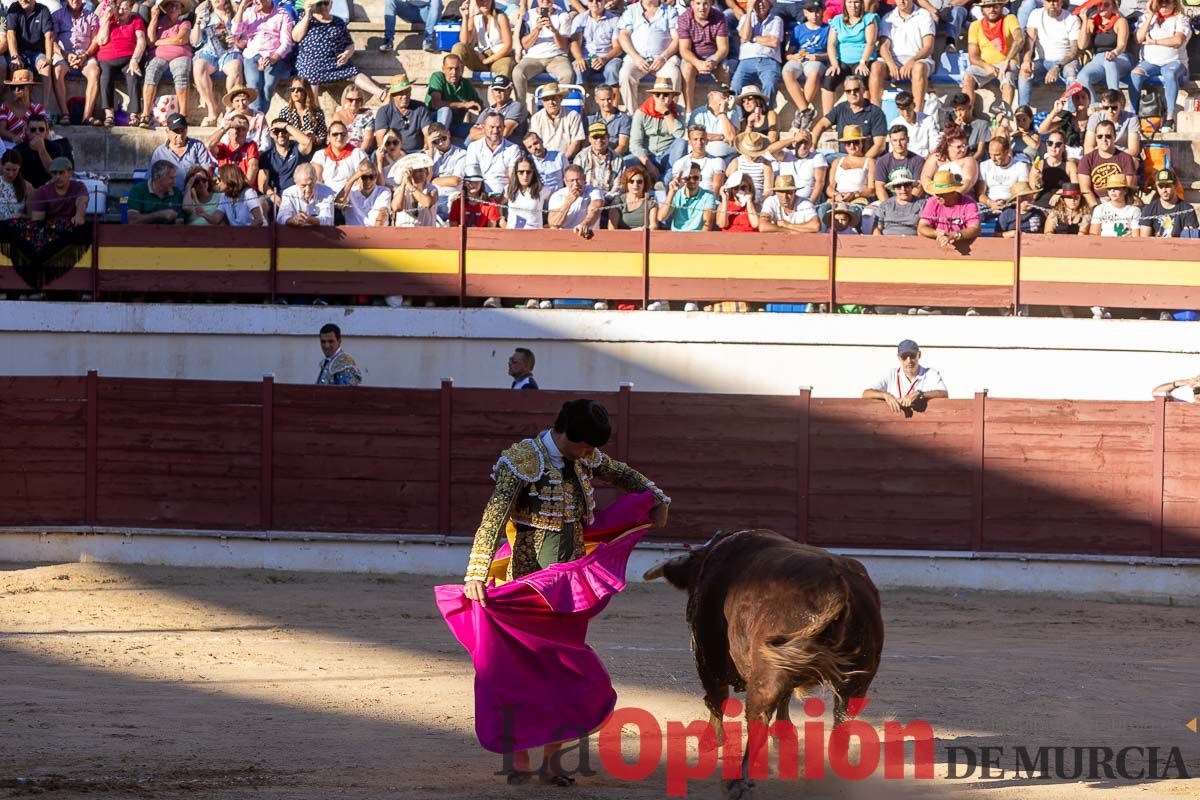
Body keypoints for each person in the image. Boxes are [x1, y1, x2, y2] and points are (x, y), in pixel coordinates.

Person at [461, 399, 669, 784]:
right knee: (516, 675)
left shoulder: (583, 457)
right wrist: (477, 571)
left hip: (568, 588)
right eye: (587, 447)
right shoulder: (523, 460)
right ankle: (520, 762)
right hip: (525, 588)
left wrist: (656, 496)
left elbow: (622, 473)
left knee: (562, 673)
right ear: (568, 437)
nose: (592, 455)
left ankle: (553, 763)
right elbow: (494, 515)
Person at [292, 0, 384, 101]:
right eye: (319, 4)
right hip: (311, 62)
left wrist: (347, 54)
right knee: (310, 75)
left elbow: (350, 44)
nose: (323, 6)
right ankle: (313, 111)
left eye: (326, 3)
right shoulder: (306, 18)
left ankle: (381, 93)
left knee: (353, 72)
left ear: (331, 3)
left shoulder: (338, 21)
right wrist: (307, 15)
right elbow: (296, 37)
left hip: (335, 63)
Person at [1130, 0, 1190, 132]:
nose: (1163, 4)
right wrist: (1150, 14)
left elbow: (1178, 40)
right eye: (1160, 1)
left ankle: (1170, 118)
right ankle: (1133, 114)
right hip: (1150, 62)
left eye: (1167, 1)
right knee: (1135, 74)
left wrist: (1154, 42)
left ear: (1174, 3)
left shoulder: (1180, 19)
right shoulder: (1146, 17)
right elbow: (1138, 39)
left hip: (1174, 61)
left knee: (1169, 74)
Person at [230, 0, 294, 116]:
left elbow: (287, 43)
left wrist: (273, 58)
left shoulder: (283, 14)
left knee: (268, 87)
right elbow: (235, 30)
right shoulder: (249, 12)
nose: (256, 1)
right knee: (254, 86)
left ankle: (259, 118)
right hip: (252, 55)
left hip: (273, 55)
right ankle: (257, 119)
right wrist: (242, 7)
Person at [617, 0, 681, 113]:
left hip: (664, 59)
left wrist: (663, 57)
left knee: (673, 75)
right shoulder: (631, 10)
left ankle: (669, 113)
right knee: (625, 75)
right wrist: (636, 57)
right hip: (636, 58)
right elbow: (623, 35)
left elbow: (676, 38)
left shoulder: (670, 11)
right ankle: (633, 115)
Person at [872, 0, 934, 113]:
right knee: (876, 66)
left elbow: (928, 46)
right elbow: (884, 46)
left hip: (918, 58)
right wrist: (891, 63)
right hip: (895, 59)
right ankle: (875, 113)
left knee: (919, 67)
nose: (901, 1)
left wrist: (912, 61)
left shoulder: (924, 15)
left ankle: (917, 112)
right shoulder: (888, 17)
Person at [139, 0, 193, 127]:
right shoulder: (159, 22)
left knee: (181, 74)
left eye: (177, 6)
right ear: (166, 8)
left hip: (180, 54)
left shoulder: (184, 23)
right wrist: (154, 18)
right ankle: (145, 114)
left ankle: (183, 114)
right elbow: (150, 40)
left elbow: (181, 39)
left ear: (181, 10)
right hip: (158, 55)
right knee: (151, 72)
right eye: (170, 5)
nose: (173, 8)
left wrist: (158, 42)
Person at [1017, 0, 1080, 108]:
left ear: (1061, 2)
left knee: (1071, 73)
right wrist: (1026, 60)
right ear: (1043, 2)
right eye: (1048, 1)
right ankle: (1023, 112)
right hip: (1043, 62)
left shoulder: (1071, 19)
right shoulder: (1035, 14)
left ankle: (1072, 113)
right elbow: (1029, 41)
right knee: (1025, 70)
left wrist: (1057, 67)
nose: (1052, 4)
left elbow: (1074, 51)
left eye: (1055, 1)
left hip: (1065, 62)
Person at [191, 0, 244, 127]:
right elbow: (195, 42)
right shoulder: (204, 13)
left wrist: (236, 39)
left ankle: (230, 110)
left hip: (229, 50)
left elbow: (245, 35)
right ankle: (212, 111)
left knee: (235, 67)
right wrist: (197, 24)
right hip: (209, 51)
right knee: (199, 66)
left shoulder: (235, 11)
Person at [820, 0, 878, 113]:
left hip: (862, 60)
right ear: (845, 4)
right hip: (842, 60)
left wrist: (863, 62)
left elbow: (870, 43)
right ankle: (827, 117)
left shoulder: (869, 18)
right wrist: (834, 64)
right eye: (850, 2)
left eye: (856, 2)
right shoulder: (837, 20)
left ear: (861, 3)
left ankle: (863, 115)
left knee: (861, 79)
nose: (853, 5)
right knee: (829, 79)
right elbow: (831, 44)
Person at [50, 0, 101, 127]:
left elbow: (96, 39)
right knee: (57, 70)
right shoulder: (57, 15)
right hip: (64, 54)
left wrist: (86, 55)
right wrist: (65, 55)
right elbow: (52, 40)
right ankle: (65, 114)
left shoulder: (92, 16)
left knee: (95, 71)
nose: (75, 0)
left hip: (85, 54)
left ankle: (87, 116)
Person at [863, 338, 948, 414]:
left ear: (919, 355)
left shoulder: (931, 373)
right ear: (899, 358)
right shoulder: (891, 374)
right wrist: (886, 395)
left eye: (912, 356)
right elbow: (866, 393)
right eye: (904, 357)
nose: (909, 360)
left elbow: (944, 394)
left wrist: (920, 394)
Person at [512, 0, 574, 104]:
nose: (545, 1)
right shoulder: (528, 16)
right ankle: (520, 111)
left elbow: (563, 46)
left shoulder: (563, 15)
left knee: (567, 74)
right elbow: (525, 45)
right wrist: (537, 29)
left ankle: (562, 109)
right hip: (533, 57)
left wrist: (553, 30)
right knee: (517, 73)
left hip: (557, 56)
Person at [962, 0, 1021, 108]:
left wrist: (1007, 60)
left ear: (1001, 7)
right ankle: (966, 114)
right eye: (988, 7)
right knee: (968, 76)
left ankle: (1005, 119)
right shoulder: (975, 26)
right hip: (986, 65)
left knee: (1008, 77)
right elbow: (973, 57)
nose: (992, 10)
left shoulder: (1009, 19)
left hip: (1007, 62)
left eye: (995, 6)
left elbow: (1019, 39)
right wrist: (986, 66)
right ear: (982, 9)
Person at [811, 73, 886, 157]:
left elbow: (880, 146)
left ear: (863, 90)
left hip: (866, 157)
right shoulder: (840, 108)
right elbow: (821, 125)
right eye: (848, 91)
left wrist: (862, 161)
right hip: (842, 156)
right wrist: (813, 145)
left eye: (856, 89)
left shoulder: (876, 112)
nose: (852, 93)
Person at [782, 0, 828, 130]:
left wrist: (818, 56)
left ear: (822, 12)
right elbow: (788, 54)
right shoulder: (799, 29)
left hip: (817, 60)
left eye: (817, 11)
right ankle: (806, 111)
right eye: (811, 11)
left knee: (813, 72)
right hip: (799, 59)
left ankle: (801, 112)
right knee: (787, 72)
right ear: (805, 13)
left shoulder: (827, 29)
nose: (815, 15)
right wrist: (793, 57)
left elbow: (832, 53)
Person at [1075, 0, 1131, 107]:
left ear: (1113, 6)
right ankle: (1094, 106)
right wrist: (1085, 21)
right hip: (1098, 59)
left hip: (1120, 57)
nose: (1102, 8)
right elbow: (1082, 45)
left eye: (1106, 4)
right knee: (1082, 77)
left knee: (1110, 62)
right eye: (1099, 5)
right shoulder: (1094, 22)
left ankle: (1114, 100)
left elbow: (1122, 45)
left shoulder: (1120, 21)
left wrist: (1114, 53)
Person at [630, 76, 686, 181]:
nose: (661, 98)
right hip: (648, 156)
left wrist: (666, 112)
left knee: (682, 143)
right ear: (653, 96)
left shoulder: (679, 111)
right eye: (657, 94)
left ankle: (665, 183)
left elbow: (680, 135)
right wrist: (649, 165)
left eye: (665, 94)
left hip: (669, 157)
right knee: (627, 162)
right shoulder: (641, 112)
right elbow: (635, 144)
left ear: (672, 96)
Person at [677, 0, 728, 115]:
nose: (702, 7)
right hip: (693, 56)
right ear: (692, 4)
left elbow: (723, 48)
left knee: (725, 69)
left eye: (705, 3)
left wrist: (714, 61)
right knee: (687, 69)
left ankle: (725, 108)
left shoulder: (720, 17)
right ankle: (689, 110)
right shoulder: (684, 19)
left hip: (714, 55)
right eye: (698, 3)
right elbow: (684, 49)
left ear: (710, 4)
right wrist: (698, 63)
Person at [1077, 119, 1137, 208]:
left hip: (1120, 198)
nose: (1104, 139)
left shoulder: (1126, 158)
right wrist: (1095, 208)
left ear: (1114, 137)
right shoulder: (1086, 159)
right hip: (1096, 200)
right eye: (1100, 136)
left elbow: (1127, 187)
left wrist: (1115, 205)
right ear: (1096, 138)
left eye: (1108, 136)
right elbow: (1085, 189)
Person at [731, 0, 783, 103]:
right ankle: (741, 117)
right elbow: (745, 36)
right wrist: (749, 11)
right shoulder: (745, 18)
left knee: (769, 85)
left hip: (769, 60)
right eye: (757, 2)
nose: (760, 4)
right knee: (735, 86)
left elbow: (773, 42)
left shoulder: (777, 20)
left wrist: (753, 38)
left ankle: (765, 114)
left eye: (764, 1)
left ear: (769, 3)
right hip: (746, 61)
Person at [4, 0, 53, 108]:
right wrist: (15, 56)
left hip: (37, 53)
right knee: (15, 65)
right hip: (19, 53)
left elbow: (49, 37)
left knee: (46, 68)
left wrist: (49, 59)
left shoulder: (43, 10)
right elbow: (10, 34)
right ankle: (15, 107)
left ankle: (45, 109)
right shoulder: (14, 8)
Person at [149, 113, 217, 190]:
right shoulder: (160, 152)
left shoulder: (197, 146)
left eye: (183, 131)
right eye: (176, 132)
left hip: (194, 194)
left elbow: (207, 171)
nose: (180, 135)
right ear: (167, 131)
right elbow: (150, 177)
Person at [451, 0, 514, 80]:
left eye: (487, 0)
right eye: (480, 1)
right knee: (458, 47)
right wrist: (465, 18)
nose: (484, 3)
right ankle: (454, 83)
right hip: (480, 57)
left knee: (506, 65)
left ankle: (500, 89)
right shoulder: (474, 19)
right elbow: (464, 42)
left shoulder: (501, 17)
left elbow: (508, 46)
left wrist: (487, 60)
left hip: (499, 57)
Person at [917, 168, 980, 248]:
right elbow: (922, 227)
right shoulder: (932, 202)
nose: (937, 196)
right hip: (936, 246)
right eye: (936, 193)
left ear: (953, 192)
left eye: (941, 194)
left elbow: (975, 228)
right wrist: (937, 233)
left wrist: (955, 235)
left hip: (964, 245)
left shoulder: (969, 203)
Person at [427, 52, 481, 140]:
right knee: (446, 111)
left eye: (457, 69)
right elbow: (435, 104)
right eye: (450, 69)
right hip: (434, 123)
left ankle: (464, 151)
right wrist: (463, 105)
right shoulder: (438, 77)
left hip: (455, 125)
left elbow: (478, 106)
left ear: (461, 70)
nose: (454, 72)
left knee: (481, 129)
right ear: (443, 69)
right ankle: (438, 142)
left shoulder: (465, 84)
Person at [767, 125, 826, 206]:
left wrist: (810, 203)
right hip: (784, 200)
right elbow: (770, 150)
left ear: (810, 144)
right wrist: (793, 138)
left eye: (806, 142)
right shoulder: (786, 154)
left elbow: (819, 182)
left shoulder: (817, 157)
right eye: (800, 142)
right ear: (794, 143)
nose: (803, 145)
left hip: (806, 202)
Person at [465, 109, 520, 194]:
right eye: (492, 127)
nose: (495, 131)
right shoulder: (473, 147)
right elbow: (472, 177)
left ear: (504, 128)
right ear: (484, 127)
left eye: (499, 127)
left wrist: (501, 201)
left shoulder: (513, 148)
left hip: (504, 197)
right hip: (480, 196)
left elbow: (513, 180)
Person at [372, 73, 430, 154]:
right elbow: (380, 140)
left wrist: (426, 148)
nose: (405, 96)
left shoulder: (420, 108)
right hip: (392, 152)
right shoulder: (384, 112)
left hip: (416, 151)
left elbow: (427, 132)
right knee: (376, 154)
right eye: (400, 93)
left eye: (407, 92)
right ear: (393, 95)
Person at [571, 0, 623, 88]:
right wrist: (579, 58)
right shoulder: (580, 19)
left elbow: (618, 48)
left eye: (598, 0)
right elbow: (575, 42)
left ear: (604, 2)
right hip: (586, 57)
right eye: (591, 0)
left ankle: (615, 101)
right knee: (579, 68)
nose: (595, 3)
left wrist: (604, 59)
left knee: (612, 69)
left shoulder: (615, 20)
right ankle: (583, 99)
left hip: (608, 57)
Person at [528, 82, 585, 160]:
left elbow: (576, 142)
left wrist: (563, 160)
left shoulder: (573, 116)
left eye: (553, 98)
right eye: (547, 99)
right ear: (543, 102)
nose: (550, 103)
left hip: (568, 160)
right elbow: (534, 142)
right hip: (543, 160)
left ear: (560, 99)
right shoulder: (536, 118)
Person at [258, 116, 310, 200]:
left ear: (289, 132)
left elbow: (307, 142)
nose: (280, 134)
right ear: (271, 134)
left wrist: (286, 126)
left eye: (284, 131)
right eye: (276, 132)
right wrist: (272, 195)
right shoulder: (266, 156)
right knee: (261, 203)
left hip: (296, 195)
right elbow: (262, 184)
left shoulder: (296, 149)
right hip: (275, 195)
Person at [978, 136, 1029, 220]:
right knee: (974, 213)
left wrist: (1007, 203)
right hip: (989, 203)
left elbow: (1023, 194)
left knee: (1007, 216)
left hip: (1011, 205)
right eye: (990, 154)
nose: (993, 158)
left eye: (997, 155)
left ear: (1007, 152)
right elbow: (980, 194)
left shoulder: (1020, 166)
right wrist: (991, 203)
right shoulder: (984, 165)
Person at [14, 113, 72, 187]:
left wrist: (41, 149)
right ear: (27, 131)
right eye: (33, 130)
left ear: (46, 131)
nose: (37, 132)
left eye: (41, 129)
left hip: (49, 189)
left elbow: (56, 173)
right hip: (26, 189)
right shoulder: (18, 150)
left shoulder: (55, 147)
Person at [919, 125, 978, 197]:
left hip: (961, 199)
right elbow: (925, 177)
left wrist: (951, 196)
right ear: (948, 146)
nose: (963, 149)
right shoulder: (936, 158)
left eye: (965, 145)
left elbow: (968, 181)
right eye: (958, 147)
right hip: (937, 197)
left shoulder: (969, 160)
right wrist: (936, 194)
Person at [824, 123, 873, 207]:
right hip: (838, 200)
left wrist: (854, 194)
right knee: (822, 210)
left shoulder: (870, 162)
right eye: (848, 143)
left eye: (855, 142)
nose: (852, 146)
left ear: (862, 142)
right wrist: (836, 195)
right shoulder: (836, 162)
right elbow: (829, 187)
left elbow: (872, 190)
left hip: (859, 200)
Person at [872, 123, 924, 202]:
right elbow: (879, 187)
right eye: (895, 140)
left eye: (902, 139)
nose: (898, 144)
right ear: (890, 141)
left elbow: (918, 186)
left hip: (912, 202)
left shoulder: (918, 161)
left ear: (908, 140)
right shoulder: (882, 161)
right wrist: (888, 206)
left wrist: (906, 205)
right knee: (868, 212)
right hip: (889, 201)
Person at [312, 120, 367, 194]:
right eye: (335, 134)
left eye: (343, 134)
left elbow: (363, 177)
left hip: (351, 194)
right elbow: (317, 179)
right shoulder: (320, 155)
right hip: (326, 194)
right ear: (328, 137)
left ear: (347, 136)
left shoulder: (357, 153)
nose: (339, 137)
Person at [206, 112, 260, 188]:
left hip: (245, 188)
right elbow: (209, 145)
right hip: (226, 189)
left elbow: (253, 167)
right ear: (229, 131)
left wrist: (243, 188)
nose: (241, 132)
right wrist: (227, 126)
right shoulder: (223, 147)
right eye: (237, 128)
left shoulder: (251, 145)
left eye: (244, 129)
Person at [658, 159, 715, 230]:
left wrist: (701, 240)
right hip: (677, 236)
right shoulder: (676, 194)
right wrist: (671, 192)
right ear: (683, 179)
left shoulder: (708, 196)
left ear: (701, 178)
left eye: (695, 177)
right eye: (688, 178)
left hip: (697, 238)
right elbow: (661, 217)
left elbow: (707, 224)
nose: (692, 181)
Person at [468, 74, 526, 143]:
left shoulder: (516, 106)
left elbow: (504, 133)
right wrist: (496, 131)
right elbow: (473, 135)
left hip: (510, 148)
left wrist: (487, 128)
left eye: (502, 89)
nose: (498, 92)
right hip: (489, 148)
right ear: (492, 92)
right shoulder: (487, 111)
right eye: (496, 89)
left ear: (509, 90)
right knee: (469, 141)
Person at [547, 164, 603, 236]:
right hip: (564, 237)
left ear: (584, 178)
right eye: (571, 180)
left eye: (578, 180)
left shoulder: (594, 191)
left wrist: (584, 224)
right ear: (565, 181)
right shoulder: (557, 196)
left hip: (587, 235)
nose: (575, 184)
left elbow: (595, 211)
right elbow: (553, 224)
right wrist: (568, 203)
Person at [1139, 169, 1197, 238]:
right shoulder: (1149, 209)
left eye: (1167, 186)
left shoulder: (1187, 209)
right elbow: (1144, 240)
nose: (1164, 190)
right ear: (1156, 187)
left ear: (1175, 185)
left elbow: (1191, 238)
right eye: (1160, 186)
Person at [573, 121, 623, 200]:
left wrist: (605, 200)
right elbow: (577, 183)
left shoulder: (618, 159)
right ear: (589, 139)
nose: (599, 140)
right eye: (595, 137)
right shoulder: (580, 158)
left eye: (602, 137)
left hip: (610, 200)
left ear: (608, 137)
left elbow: (619, 186)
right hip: (586, 198)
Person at [276, 76, 328, 149]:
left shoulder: (317, 112)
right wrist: (302, 137)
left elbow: (323, 138)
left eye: (299, 89)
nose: (295, 92)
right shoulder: (284, 112)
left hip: (312, 149)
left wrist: (315, 138)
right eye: (292, 89)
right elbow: (280, 136)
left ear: (306, 91)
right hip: (291, 149)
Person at [673, 123, 726, 194]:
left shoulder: (717, 161)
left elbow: (716, 188)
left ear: (707, 141)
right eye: (695, 139)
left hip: (709, 201)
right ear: (690, 142)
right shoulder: (679, 163)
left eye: (702, 139)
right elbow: (677, 188)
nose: (699, 143)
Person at [1083, 89, 1139, 156]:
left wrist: (1108, 150)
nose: (1110, 111)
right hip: (1100, 157)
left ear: (1121, 105)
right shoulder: (1095, 117)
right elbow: (1088, 150)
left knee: (1134, 161)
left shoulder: (1131, 118)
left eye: (1114, 107)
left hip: (1122, 157)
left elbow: (1133, 151)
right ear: (1102, 105)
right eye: (1106, 107)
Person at [871, 166, 925, 235]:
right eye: (899, 186)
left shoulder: (921, 204)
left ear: (911, 186)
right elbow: (877, 228)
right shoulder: (885, 205)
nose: (903, 189)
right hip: (887, 241)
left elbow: (923, 228)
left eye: (906, 185)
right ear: (894, 189)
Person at [389, 152, 439, 227]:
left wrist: (409, 185)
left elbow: (427, 203)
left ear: (426, 172)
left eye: (421, 170)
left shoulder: (432, 189)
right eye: (414, 171)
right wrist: (404, 183)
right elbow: (396, 208)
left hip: (425, 232)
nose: (417, 174)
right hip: (403, 231)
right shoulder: (400, 190)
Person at [686, 84, 735, 159]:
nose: (727, 100)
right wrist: (721, 136)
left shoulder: (732, 113)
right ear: (711, 95)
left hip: (728, 156)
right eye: (724, 96)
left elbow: (731, 137)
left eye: (728, 97)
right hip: (703, 157)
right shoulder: (698, 113)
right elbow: (695, 137)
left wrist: (723, 113)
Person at [337, 159, 391, 226]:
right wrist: (352, 180)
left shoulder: (384, 191)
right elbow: (338, 204)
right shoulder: (351, 192)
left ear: (376, 177)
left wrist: (374, 233)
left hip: (376, 232)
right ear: (358, 177)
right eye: (364, 177)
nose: (368, 181)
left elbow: (383, 213)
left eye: (371, 177)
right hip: (354, 233)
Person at [1031, 130, 1077, 207]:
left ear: (1064, 147)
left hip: (1062, 207)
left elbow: (1076, 187)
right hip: (1040, 205)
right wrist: (1038, 181)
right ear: (1046, 144)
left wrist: (1060, 192)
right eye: (1050, 143)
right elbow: (1033, 196)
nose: (1053, 146)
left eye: (1058, 144)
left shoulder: (1070, 165)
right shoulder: (1039, 165)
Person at [887, 89, 937, 158]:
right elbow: (892, 149)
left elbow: (935, 145)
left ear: (914, 105)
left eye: (908, 109)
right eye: (902, 110)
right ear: (897, 109)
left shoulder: (928, 120)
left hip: (924, 161)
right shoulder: (894, 123)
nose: (906, 113)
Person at [727, 130, 775, 201]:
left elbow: (768, 190)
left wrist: (759, 200)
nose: (752, 156)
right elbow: (731, 184)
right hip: (739, 192)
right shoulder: (736, 162)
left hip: (758, 194)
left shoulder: (765, 164)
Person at [1, 69, 46, 144]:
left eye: (21, 87)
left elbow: (44, 129)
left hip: (34, 145)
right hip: (12, 146)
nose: (16, 90)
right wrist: (14, 137)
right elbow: (1, 130)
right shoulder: (5, 107)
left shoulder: (38, 109)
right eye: (13, 87)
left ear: (30, 88)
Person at [502, 155, 547, 228]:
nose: (525, 175)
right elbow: (499, 204)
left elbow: (555, 203)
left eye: (528, 172)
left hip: (534, 234)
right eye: (521, 172)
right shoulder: (509, 189)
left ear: (533, 173)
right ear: (516, 173)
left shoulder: (542, 189)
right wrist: (501, 219)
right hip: (512, 233)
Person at [587, 83, 631, 155]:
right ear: (596, 99)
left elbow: (623, 145)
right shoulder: (590, 119)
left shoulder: (623, 118)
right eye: (602, 100)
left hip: (618, 156)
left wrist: (610, 158)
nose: (606, 103)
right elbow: (587, 144)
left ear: (613, 97)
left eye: (609, 99)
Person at [608, 164, 656, 229]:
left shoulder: (650, 201)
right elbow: (612, 228)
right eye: (631, 181)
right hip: (622, 237)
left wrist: (641, 230)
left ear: (644, 183)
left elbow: (653, 226)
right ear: (626, 183)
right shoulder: (618, 201)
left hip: (643, 236)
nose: (635, 184)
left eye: (639, 181)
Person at [946, 91, 989, 160]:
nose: (959, 114)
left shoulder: (982, 124)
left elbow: (980, 152)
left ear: (969, 107)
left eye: (961, 110)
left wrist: (968, 163)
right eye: (956, 111)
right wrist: (956, 128)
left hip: (976, 160)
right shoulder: (955, 126)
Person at [332, 84, 375, 151]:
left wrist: (358, 156)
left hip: (361, 153)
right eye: (350, 100)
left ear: (361, 101)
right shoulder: (338, 116)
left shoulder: (367, 115)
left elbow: (368, 139)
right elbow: (334, 138)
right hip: (342, 152)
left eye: (357, 100)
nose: (354, 103)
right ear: (345, 100)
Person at [0, 149, 33, 218]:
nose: (11, 174)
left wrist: (21, 216)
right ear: (2, 166)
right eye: (8, 169)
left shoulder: (27, 186)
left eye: (15, 170)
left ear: (19, 167)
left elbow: (31, 216)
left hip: (16, 225)